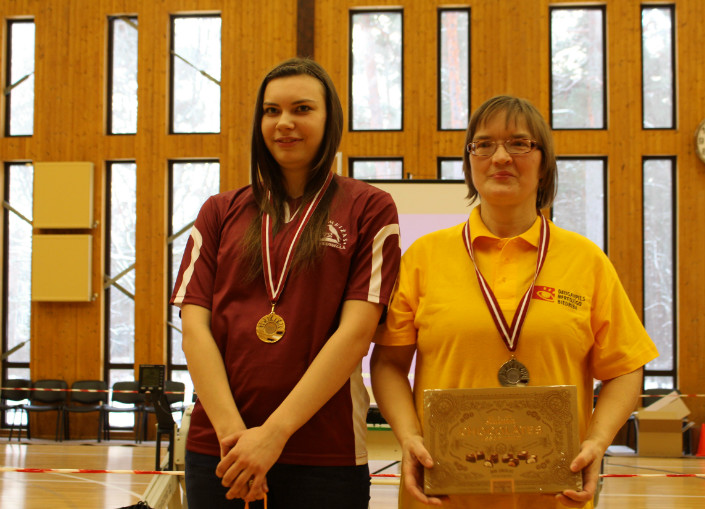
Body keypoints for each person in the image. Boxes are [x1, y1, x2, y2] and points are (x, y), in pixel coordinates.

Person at [370, 95, 659, 509]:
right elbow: (388, 364)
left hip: (556, 497)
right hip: (442, 496)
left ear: (544, 164)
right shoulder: (423, 257)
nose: (501, 157)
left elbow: (626, 367)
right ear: (469, 162)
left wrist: (597, 441)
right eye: (484, 144)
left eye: (519, 143)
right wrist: (409, 436)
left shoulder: (586, 260)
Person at [170, 57, 401, 509]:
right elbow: (194, 329)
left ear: (330, 119)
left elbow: (356, 335)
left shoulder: (370, 208)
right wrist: (235, 438)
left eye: (302, 109)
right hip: (220, 449)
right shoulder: (219, 211)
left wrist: (273, 435)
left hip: (325, 452)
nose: (284, 123)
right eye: (271, 111)